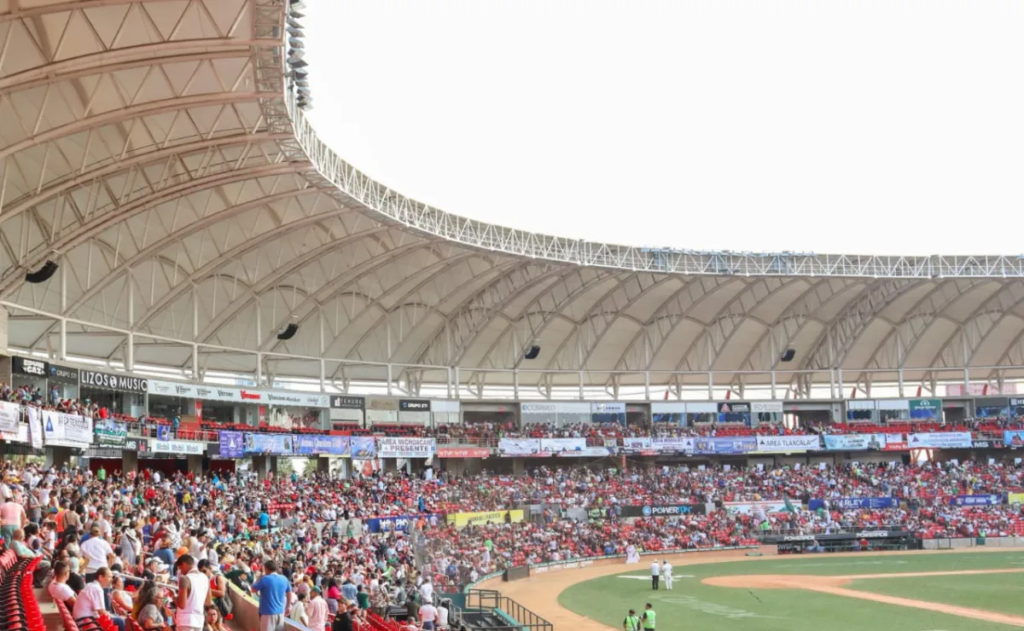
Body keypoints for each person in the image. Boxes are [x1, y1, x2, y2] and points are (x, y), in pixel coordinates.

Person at [175, 554, 211, 631]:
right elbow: (208, 602)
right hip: (199, 621)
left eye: (180, 568)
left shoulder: (184, 579)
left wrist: (173, 596)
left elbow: (182, 605)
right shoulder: (205, 578)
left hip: (185, 621)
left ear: (184, 564)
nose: (181, 571)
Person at [253, 559, 291, 631]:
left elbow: (253, 589)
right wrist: (288, 606)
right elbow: (289, 593)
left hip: (267, 614)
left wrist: (260, 577)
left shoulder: (265, 579)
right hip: (280, 613)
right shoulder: (284, 578)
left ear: (266, 569)